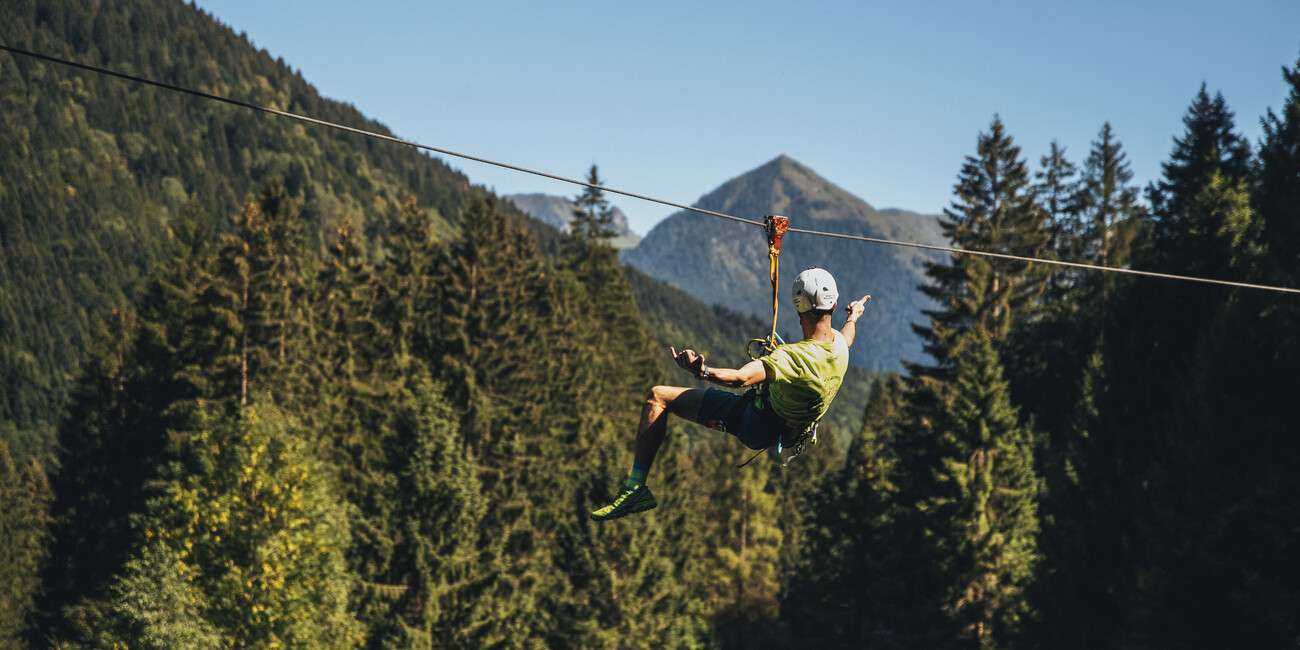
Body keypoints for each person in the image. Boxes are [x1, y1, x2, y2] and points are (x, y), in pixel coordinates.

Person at [590, 267, 869, 521]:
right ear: (833, 304)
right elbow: (848, 335)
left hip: (754, 424)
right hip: (789, 433)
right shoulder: (840, 347)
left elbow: (741, 378)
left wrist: (703, 371)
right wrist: (853, 316)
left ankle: (635, 487)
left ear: (799, 309)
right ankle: (636, 488)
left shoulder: (792, 358)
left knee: (658, 397)